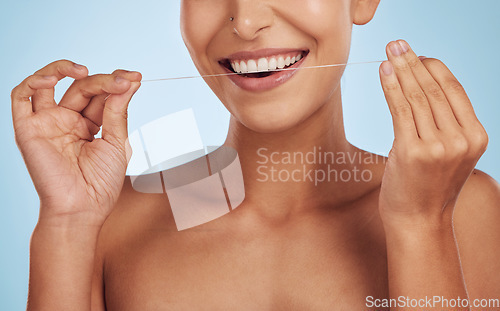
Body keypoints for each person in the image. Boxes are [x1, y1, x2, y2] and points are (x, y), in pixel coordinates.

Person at [11, 0, 500, 310]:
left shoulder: (462, 210)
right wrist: (68, 224)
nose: (245, 21)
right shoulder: (111, 222)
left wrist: (419, 224)